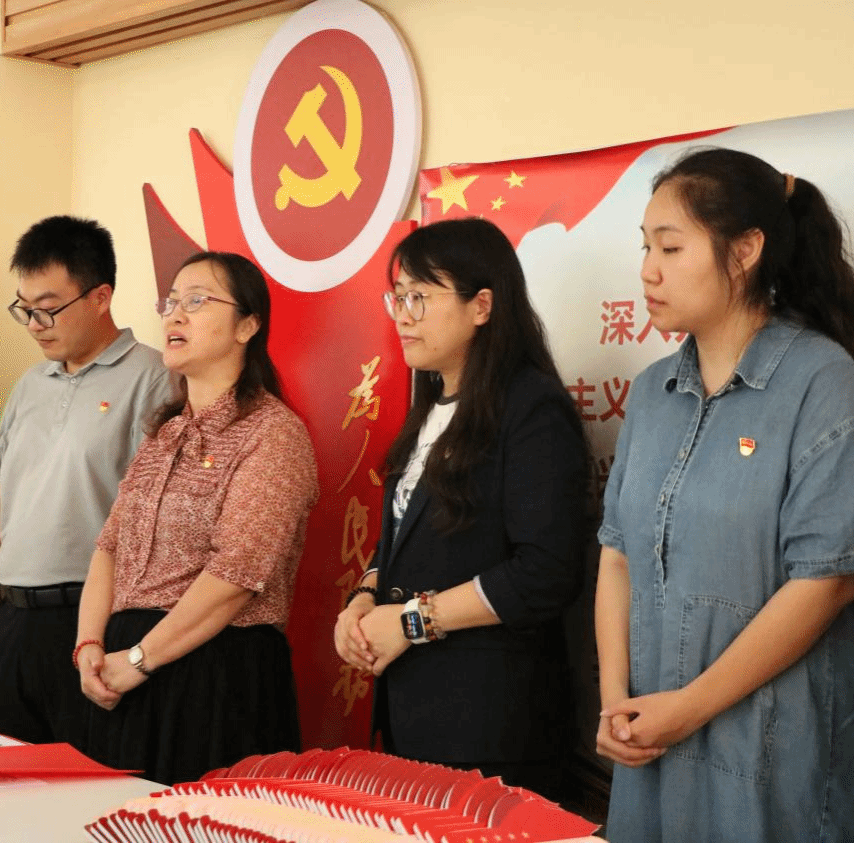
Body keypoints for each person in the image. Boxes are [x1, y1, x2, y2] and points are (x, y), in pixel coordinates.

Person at [595, 148, 854, 841]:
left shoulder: (823, 381)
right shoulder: (651, 392)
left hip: (769, 759)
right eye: (646, 246)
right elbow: (617, 554)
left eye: (671, 247)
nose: (648, 270)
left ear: (744, 251)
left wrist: (688, 707)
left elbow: (827, 581)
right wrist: (614, 700)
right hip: (647, 743)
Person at [333, 218, 587, 800]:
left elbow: (545, 572)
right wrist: (365, 597)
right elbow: (404, 538)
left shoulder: (531, 408)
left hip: (491, 723)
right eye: (398, 297)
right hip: (413, 710)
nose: (403, 315)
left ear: (482, 306)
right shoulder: (429, 405)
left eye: (420, 297)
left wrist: (411, 621)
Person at [75, 251, 319, 785]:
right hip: (125, 669)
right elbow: (109, 547)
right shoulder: (165, 433)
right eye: (171, 302)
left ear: (248, 325)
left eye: (197, 301)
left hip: (217, 674)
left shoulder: (273, 433)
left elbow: (235, 577)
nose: (176, 315)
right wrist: (89, 647)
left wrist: (139, 659)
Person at [0, 215, 171, 745]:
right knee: (9, 775)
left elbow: (153, 517)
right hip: (13, 616)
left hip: (94, 621)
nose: (35, 324)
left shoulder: (155, 378)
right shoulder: (30, 384)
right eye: (25, 309)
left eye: (49, 308)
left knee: (85, 778)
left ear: (100, 297)